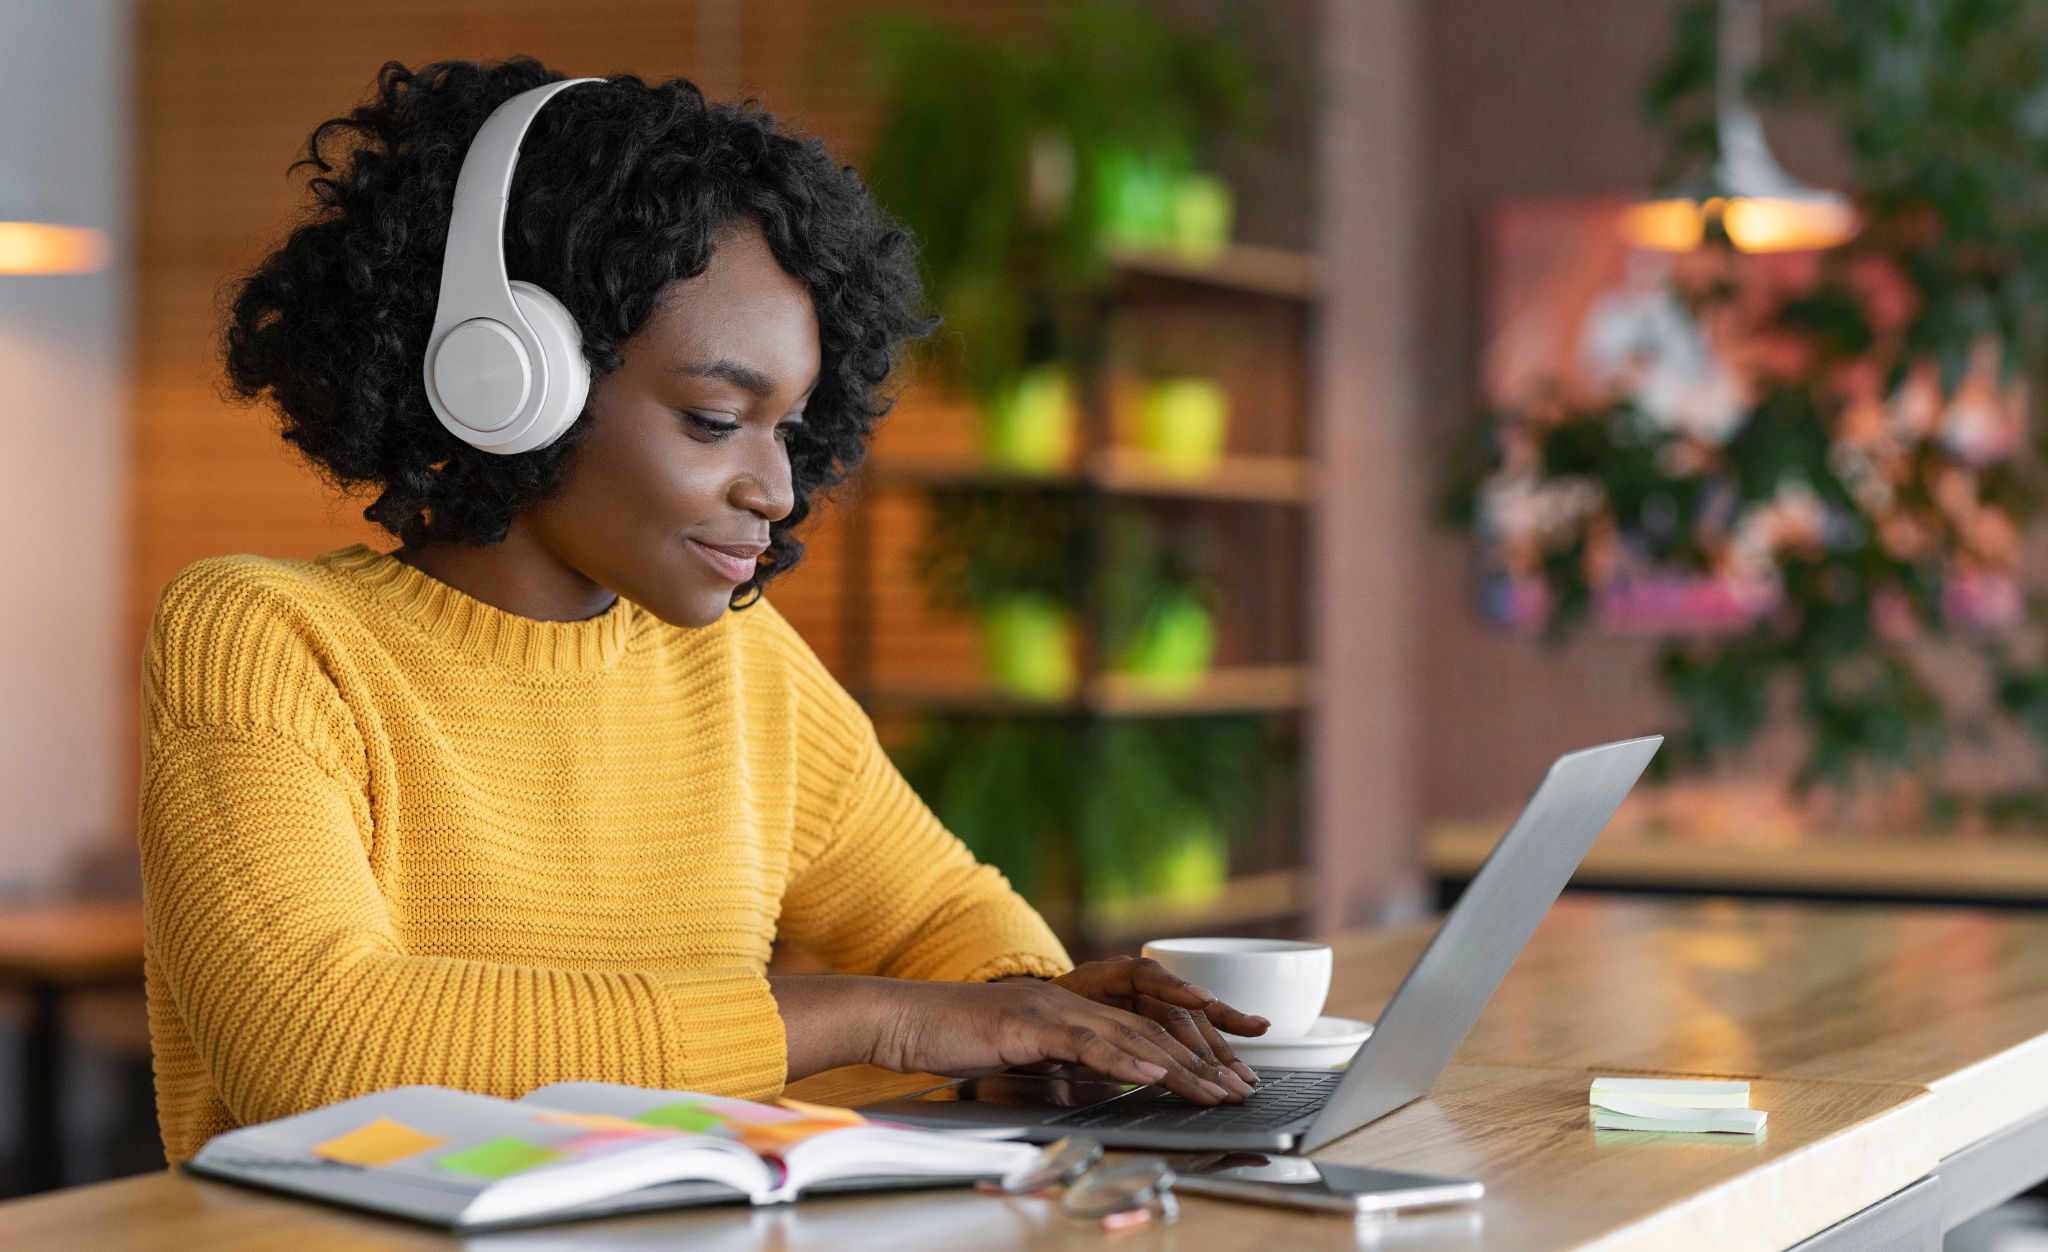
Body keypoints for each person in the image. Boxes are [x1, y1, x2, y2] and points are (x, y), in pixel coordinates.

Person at [136, 56, 1266, 1168]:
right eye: (717, 419)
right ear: (510, 377)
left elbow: (950, 923)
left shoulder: (738, 664)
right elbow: (317, 1047)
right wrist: (874, 1020)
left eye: (789, 428)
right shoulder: (265, 639)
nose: (775, 490)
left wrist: (1036, 1016)